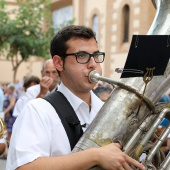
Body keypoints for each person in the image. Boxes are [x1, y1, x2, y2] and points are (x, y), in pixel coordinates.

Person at [7, 25, 145, 170]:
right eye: (82, 56)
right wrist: (96, 156)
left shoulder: (107, 110)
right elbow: (24, 167)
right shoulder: (38, 110)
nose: (93, 64)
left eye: (96, 55)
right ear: (59, 63)